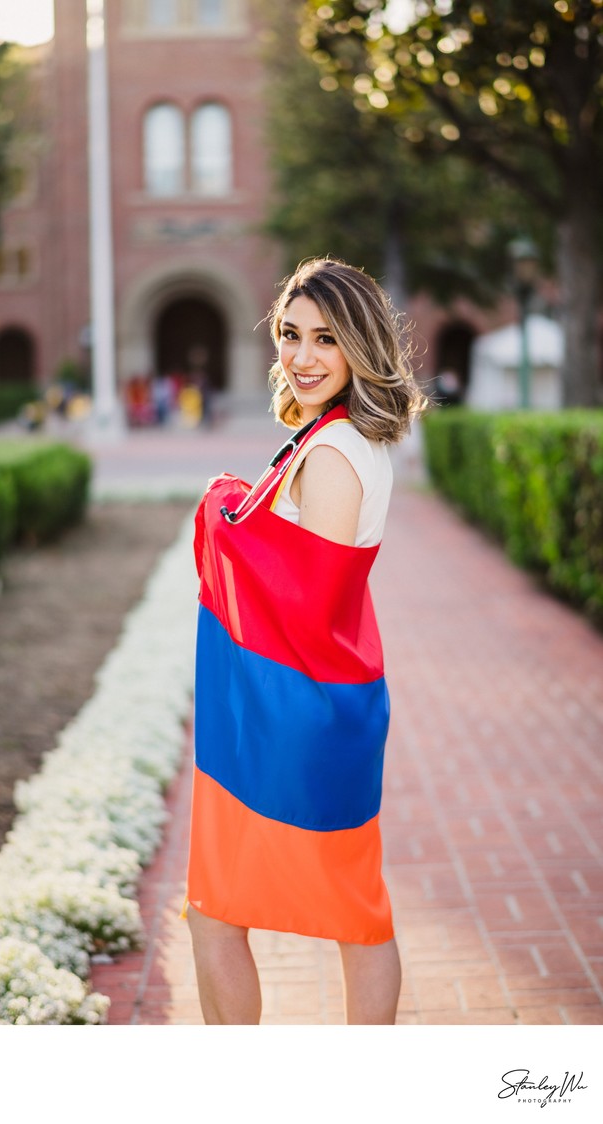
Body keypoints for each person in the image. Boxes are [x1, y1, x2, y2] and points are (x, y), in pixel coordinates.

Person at [185, 257, 426, 1025]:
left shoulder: (329, 452)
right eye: (290, 334)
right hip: (331, 708)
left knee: (217, 912)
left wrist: (224, 510)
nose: (301, 356)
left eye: (326, 339)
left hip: (289, 713)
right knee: (358, 916)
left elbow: (303, 601)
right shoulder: (348, 436)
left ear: (361, 345)